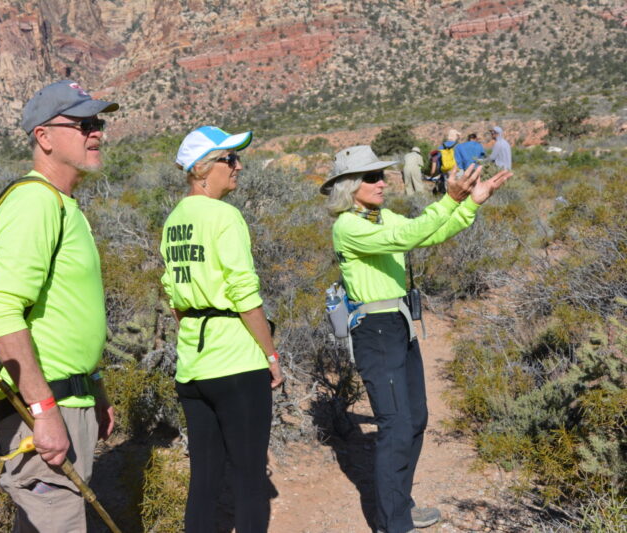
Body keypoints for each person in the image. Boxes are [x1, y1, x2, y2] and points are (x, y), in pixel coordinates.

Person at [319, 146, 512, 533]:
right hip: (374, 330)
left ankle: (400, 507)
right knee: (395, 424)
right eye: (371, 177)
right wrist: (449, 200)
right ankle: (394, 523)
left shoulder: (380, 216)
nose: (381, 182)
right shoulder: (349, 227)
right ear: (350, 185)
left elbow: (430, 232)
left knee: (415, 419)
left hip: (398, 323)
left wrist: (469, 205)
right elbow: (409, 235)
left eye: (381, 175)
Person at [0, 80, 118, 532]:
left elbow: (61, 314)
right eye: (83, 124)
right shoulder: (34, 203)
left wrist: (94, 387)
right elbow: (2, 311)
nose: (96, 132)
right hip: (45, 407)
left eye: (97, 122)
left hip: (67, 400)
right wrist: (44, 411)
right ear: (43, 137)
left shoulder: (62, 204)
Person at [160, 126, 285, 532]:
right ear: (202, 170)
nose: (238, 166)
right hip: (236, 363)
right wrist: (270, 354)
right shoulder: (225, 216)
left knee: (205, 479)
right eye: (229, 159)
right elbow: (245, 295)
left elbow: (176, 298)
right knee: (250, 478)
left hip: (193, 365)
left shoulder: (174, 220)